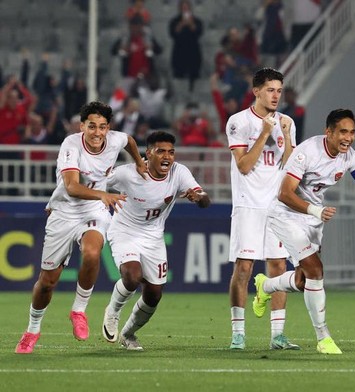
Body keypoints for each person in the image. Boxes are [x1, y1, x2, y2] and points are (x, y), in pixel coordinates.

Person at [252, 109, 355, 354]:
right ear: (329, 132)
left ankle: (266, 286)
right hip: (286, 215)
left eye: (352, 132)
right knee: (316, 270)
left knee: (305, 280)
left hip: (312, 219)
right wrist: (316, 211)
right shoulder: (307, 152)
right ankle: (323, 337)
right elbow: (284, 194)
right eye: (343, 132)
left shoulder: (349, 157)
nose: (348, 138)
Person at [15, 101, 147, 354]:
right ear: (82, 126)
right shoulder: (71, 144)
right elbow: (72, 187)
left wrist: (139, 162)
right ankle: (32, 329)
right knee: (47, 282)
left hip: (93, 210)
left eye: (102, 127)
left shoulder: (115, 139)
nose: (97, 133)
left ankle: (79, 310)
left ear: (108, 128)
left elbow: (128, 140)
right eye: (92, 126)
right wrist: (102, 194)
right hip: (64, 211)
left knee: (92, 252)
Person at [102, 131, 210, 350]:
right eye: (161, 151)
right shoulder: (127, 174)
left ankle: (128, 334)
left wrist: (198, 197)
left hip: (153, 237)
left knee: (154, 294)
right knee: (132, 276)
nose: (167, 157)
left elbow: (205, 199)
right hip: (124, 231)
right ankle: (112, 312)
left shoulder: (179, 173)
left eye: (171, 152)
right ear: (148, 154)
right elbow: (96, 182)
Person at [225, 67, 298, 350]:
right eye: (270, 89)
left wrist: (288, 138)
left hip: (276, 207)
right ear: (256, 91)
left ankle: (278, 335)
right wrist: (265, 133)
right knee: (243, 268)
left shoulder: (286, 121)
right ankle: (238, 334)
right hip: (248, 205)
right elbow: (243, 166)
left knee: (279, 267)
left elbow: (291, 168)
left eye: (279, 90)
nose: (276, 95)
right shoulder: (238, 122)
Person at [168, 0, 203, 93]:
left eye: (187, 7)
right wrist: (181, 25)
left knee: (194, 75)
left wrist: (191, 24)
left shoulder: (196, 20)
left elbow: (199, 32)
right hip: (179, 52)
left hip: (193, 51)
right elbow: (172, 34)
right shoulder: (174, 21)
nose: (185, 9)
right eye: (183, 7)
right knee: (178, 76)